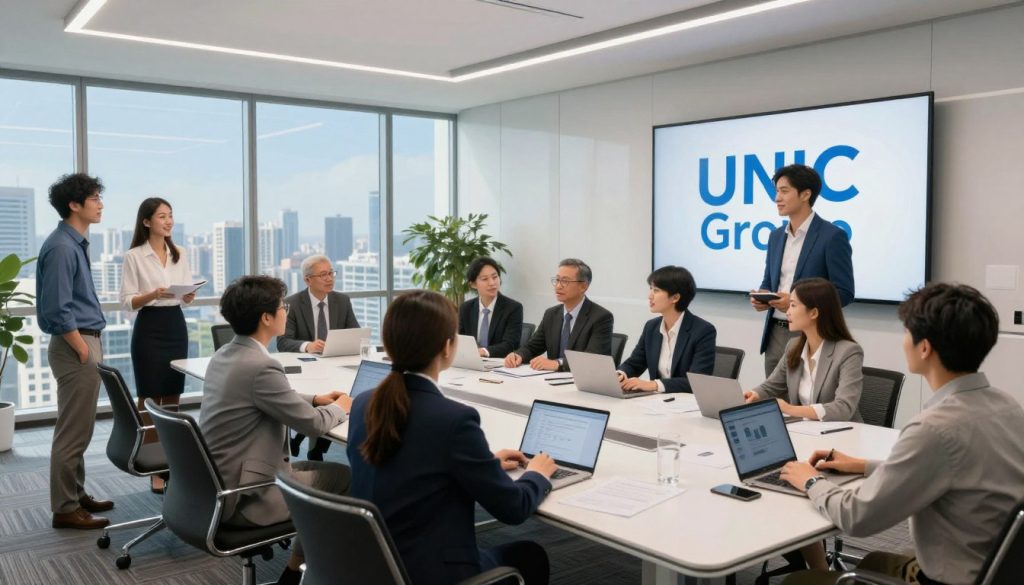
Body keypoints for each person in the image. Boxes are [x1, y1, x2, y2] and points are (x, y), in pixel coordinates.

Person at [778, 283, 1024, 585]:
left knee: (799, 581)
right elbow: (953, 471)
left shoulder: (934, 428)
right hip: (996, 567)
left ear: (924, 348)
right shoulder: (1008, 407)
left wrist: (811, 481)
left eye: (906, 332)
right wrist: (863, 465)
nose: (903, 340)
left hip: (948, 577)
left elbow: (857, 517)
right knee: (875, 560)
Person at [348, 290, 557, 584]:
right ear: (447, 347)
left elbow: (412, 464)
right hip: (431, 573)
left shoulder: (363, 403)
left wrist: (484, 463)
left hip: (376, 563)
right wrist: (537, 474)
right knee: (530, 555)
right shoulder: (454, 419)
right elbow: (513, 508)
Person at [199, 276, 353, 585]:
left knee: (319, 468)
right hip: (246, 497)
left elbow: (263, 395)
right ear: (266, 318)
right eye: (282, 307)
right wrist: (343, 406)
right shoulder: (262, 366)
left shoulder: (225, 354)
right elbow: (312, 424)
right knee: (346, 477)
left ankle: (295, 569)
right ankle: (308, 573)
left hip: (214, 485)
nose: (286, 310)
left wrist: (315, 399)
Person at [36, 173, 114, 530]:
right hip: (75, 345)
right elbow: (56, 308)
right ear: (74, 204)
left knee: (80, 428)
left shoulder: (74, 243)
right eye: (95, 198)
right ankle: (65, 508)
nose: (100, 204)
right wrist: (82, 347)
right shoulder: (63, 247)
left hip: (83, 341)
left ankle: (76, 493)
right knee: (72, 431)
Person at [119, 197, 195, 493]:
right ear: (147, 221)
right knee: (149, 397)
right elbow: (127, 301)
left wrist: (187, 296)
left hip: (175, 324)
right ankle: (154, 466)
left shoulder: (181, 253)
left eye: (171, 216)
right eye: (162, 216)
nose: (168, 221)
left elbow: (185, 295)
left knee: (173, 396)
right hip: (149, 327)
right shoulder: (134, 256)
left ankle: (172, 459)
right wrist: (152, 294)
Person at [751, 164, 854, 377]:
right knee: (774, 401)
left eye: (784, 191)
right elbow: (769, 281)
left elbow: (844, 292)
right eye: (776, 191)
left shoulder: (832, 236)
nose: (777, 198)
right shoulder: (776, 236)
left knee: (803, 404)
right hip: (775, 332)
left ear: (806, 194)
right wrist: (762, 296)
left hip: (811, 333)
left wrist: (798, 302)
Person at [744, 277, 864, 423]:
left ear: (814, 313)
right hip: (806, 431)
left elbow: (843, 408)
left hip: (842, 435)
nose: (787, 312)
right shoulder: (793, 346)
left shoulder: (849, 352)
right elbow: (772, 385)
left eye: (793, 306)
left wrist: (789, 409)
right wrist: (754, 394)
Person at [276, 254, 359, 461]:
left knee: (341, 392)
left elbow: (355, 333)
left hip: (337, 363)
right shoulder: (293, 303)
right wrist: (307, 346)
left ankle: (312, 443)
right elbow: (283, 342)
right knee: (326, 396)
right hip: (308, 367)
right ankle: (315, 445)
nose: (330, 278)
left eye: (331, 273)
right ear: (307, 280)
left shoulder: (342, 300)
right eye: (323, 274)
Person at [616, 266, 716, 394]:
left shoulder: (703, 331)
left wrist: (654, 384)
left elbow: (697, 382)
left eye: (656, 290)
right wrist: (620, 374)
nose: (649, 296)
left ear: (675, 298)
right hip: (655, 402)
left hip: (685, 405)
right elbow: (635, 363)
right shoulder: (651, 327)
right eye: (650, 289)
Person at [504, 258, 613, 372]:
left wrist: (558, 363)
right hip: (552, 381)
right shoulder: (551, 314)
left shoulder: (601, 317)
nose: (558, 286)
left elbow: (592, 359)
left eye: (565, 281)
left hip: (582, 383)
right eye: (557, 280)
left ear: (583, 286)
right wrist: (518, 355)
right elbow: (533, 347)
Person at [458, 256, 523, 358]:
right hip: (472, 364)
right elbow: (459, 340)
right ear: (473, 284)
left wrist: (484, 351)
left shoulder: (513, 308)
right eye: (485, 279)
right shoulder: (466, 308)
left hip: (501, 365)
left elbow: (510, 345)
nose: (492, 283)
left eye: (495, 277)